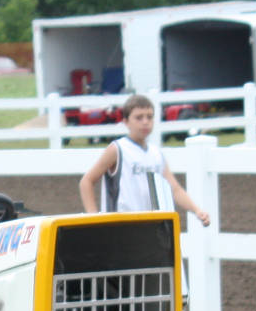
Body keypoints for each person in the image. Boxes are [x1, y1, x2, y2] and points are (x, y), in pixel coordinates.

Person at [77, 95, 212, 226]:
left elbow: (174, 189)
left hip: (149, 227)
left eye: (149, 117)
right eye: (139, 117)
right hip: (119, 227)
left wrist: (197, 211)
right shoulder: (117, 149)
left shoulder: (156, 153)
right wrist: (93, 218)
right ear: (126, 121)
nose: (145, 122)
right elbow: (87, 181)